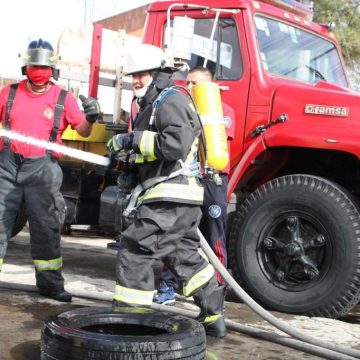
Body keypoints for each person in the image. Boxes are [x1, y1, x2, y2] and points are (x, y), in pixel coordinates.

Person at [106, 44, 227, 338]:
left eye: (141, 74)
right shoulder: (155, 103)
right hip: (177, 200)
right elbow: (157, 150)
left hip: (169, 200)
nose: (136, 80)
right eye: (133, 75)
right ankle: (214, 316)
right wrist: (129, 161)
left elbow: (175, 145)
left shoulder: (169, 100)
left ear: (159, 73)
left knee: (136, 251)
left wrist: (131, 140)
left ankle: (128, 324)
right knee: (183, 256)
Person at [0, 39, 101, 302]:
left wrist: (90, 117)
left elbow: (83, 131)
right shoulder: (8, 93)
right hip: (7, 167)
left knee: (45, 228)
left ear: (52, 69)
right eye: (34, 65)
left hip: (43, 170)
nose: (39, 70)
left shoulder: (63, 98)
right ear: (26, 67)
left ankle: (50, 284)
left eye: (44, 66)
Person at [154, 66, 235, 305]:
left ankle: (218, 290)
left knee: (214, 233)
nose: (189, 88)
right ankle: (168, 286)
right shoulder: (179, 109)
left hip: (212, 179)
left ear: (209, 86)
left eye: (195, 84)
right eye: (187, 83)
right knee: (176, 232)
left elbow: (216, 142)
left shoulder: (222, 110)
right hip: (186, 177)